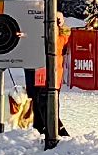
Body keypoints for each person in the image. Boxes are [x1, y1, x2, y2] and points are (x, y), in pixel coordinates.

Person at [25, 11, 73, 139]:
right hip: (43, 74)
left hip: (47, 75)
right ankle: (43, 130)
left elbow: (53, 47)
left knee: (45, 105)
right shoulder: (58, 35)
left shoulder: (57, 36)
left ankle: (57, 132)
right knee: (39, 104)